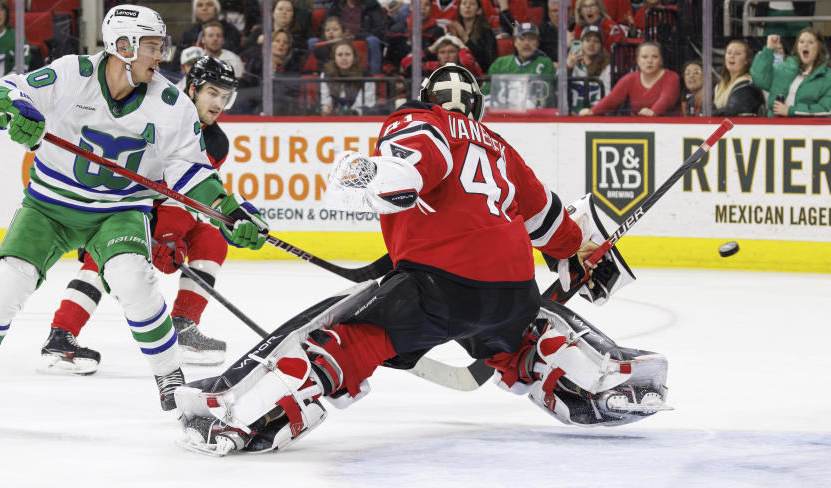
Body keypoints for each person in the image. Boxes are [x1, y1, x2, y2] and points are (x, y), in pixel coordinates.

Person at [173, 63, 670, 455]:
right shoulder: (500, 146)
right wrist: (584, 254)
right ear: (477, 107)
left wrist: (370, 174)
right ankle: (600, 382)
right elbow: (552, 225)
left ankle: (245, 415)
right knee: (517, 337)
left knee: (348, 340)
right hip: (511, 288)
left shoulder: (419, 121)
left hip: (437, 285)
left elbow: (406, 173)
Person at [0, 5, 270, 422]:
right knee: (6, 285)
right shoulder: (73, 74)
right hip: (49, 205)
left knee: (134, 280)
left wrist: (226, 212)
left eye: (160, 47)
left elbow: (191, 170)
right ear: (122, 46)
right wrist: (9, 111)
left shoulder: (170, 104)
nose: (159, 56)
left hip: (120, 210)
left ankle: (170, 378)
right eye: (151, 47)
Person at [40, 56, 242, 373]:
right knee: (109, 247)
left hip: (163, 213)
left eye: (224, 96)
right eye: (213, 93)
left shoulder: (215, 140)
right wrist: (157, 233)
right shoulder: (160, 112)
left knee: (211, 240)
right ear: (193, 89)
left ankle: (182, 327)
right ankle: (61, 336)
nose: (219, 103)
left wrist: (170, 234)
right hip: (124, 204)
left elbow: (188, 196)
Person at [580, 41, 680, 116]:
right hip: (639, 127)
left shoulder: (671, 77)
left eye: (654, 57)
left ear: (661, 61)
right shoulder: (630, 78)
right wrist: (592, 111)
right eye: (644, 57)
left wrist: (653, 112)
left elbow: (666, 99)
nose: (649, 61)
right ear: (637, 61)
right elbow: (612, 100)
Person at [750, 30, 831, 117]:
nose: (805, 45)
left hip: (807, 129)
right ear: (797, 47)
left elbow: (826, 109)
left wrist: (790, 111)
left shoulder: (827, 77)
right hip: (775, 126)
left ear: (819, 48)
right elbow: (759, 79)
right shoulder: (784, 68)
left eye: (811, 42)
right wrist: (769, 49)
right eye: (801, 42)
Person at [324, 0, 385, 77]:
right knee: (312, 42)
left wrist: (355, 36)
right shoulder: (336, 4)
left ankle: (376, 78)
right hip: (338, 39)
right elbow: (324, 26)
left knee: (373, 41)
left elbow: (380, 31)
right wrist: (335, 34)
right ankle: (320, 76)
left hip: (362, 39)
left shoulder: (372, 5)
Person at [484, 21, 554, 98]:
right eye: (521, 38)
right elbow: (485, 94)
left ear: (537, 43)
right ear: (515, 42)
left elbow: (548, 97)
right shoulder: (499, 63)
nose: (527, 43)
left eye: (532, 38)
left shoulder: (546, 63)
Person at [319, 39, 375, 115]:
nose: (344, 58)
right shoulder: (325, 75)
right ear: (334, 58)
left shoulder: (366, 76)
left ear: (354, 56)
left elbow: (367, 104)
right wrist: (327, 109)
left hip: (360, 120)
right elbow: (325, 102)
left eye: (347, 54)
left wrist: (348, 113)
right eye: (340, 55)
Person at [712, 39, 765, 117]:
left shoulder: (747, 86)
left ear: (746, 60)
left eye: (737, 53)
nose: (731, 56)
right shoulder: (720, 86)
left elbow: (731, 111)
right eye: (729, 53)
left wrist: (711, 113)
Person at [567, 26, 611, 112]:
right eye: (588, 40)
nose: (591, 44)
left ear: (601, 46)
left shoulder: (607, 68)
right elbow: (557, 90)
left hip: (594, 116)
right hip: (571, 115)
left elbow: (606, 98)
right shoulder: (571, 63)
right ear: (581, 43)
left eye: (596, 41)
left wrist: (591, 112)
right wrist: (568, 67)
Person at [449, 0, 497, 72]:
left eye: (472, 4)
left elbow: (486, 61)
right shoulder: (454, 30)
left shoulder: (487, 33)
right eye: (464, 3)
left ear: (479, 10)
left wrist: (465, 38)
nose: (467, 6)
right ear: (459, 9)